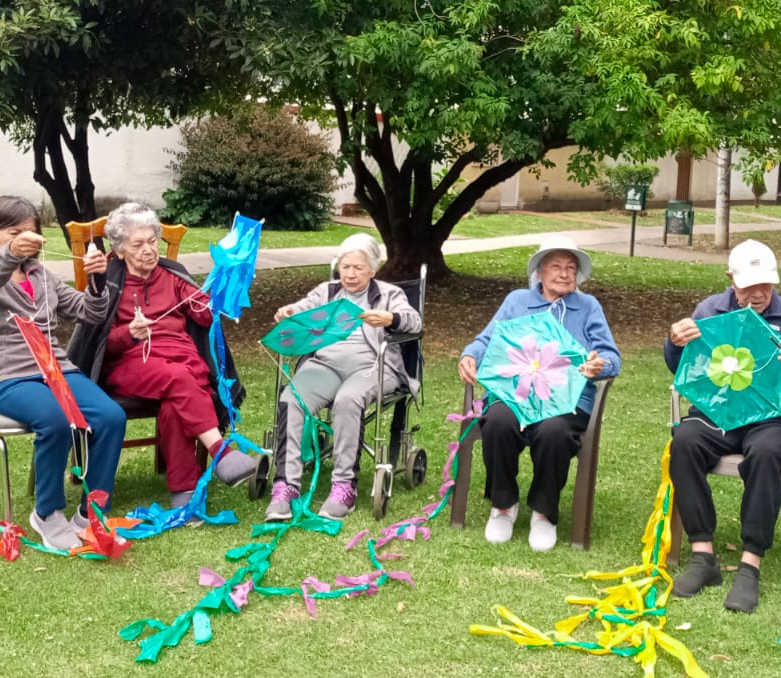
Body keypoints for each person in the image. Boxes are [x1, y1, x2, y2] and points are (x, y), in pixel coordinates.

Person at [664, 239, 781, 613]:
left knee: (765, 452)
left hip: (777, 421)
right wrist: (675, 343)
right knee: (684, 439)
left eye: (766, 285)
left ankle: (750, 565)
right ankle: (703, 556)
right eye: (749, 287)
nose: (758, 294)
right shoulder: (710, 311)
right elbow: (680, 366)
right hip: (719, 415)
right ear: (730, 279)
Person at [0, 195, 126, 551]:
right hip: (2, 378)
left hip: (54, 370)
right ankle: (47, 513)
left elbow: (90, 313)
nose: (24, 239)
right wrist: (10, 254)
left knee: (111, 416)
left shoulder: (40, 274)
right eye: (14, 232)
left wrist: (97, 280)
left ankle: (91, 513)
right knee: (55, 420)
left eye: (30, 232)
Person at [67, 202, 258, 510]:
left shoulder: (173, 276)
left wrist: (220, 288)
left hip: (183, 362)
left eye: (152, 241)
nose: (148, 250)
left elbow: (205, 318)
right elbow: (100, 345)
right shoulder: (108, 282)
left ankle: (184, 495)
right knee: (179, 379)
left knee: (175, 405)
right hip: (130, 364)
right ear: (119, 250)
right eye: (137, 245)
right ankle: (220, 451)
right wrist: (129, 333)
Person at [458, 235, 621, 552]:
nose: (564, 273)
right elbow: (487, 339)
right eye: (556, 266)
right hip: (517, 392)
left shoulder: (588, 307)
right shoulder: (517, 301)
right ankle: (503, 505)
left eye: (571, 268)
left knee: (554, 431)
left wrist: (599, 365)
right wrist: (470, 355)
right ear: (540, 272)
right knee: (498, 421)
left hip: (567, 399)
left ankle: (544, 513)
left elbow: (611, 356)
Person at [265, 233, 422, 521]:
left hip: (374, 367)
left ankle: (343, 487)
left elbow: (415, 322)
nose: (349, 274)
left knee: (348, 399)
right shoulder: (326, 291)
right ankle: (285, 486)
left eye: (358, 268)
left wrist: (391, 318)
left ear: (373, 269)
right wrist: (288, 312)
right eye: (345, 266)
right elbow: (303, 309)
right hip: (326, 365)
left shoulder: (389, 294)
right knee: (292, 398)